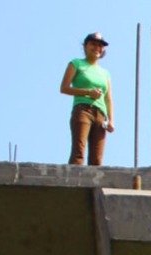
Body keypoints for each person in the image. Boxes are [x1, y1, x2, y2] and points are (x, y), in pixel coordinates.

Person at [60, 33, 114, 166]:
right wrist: (88, 93)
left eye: (100, 46)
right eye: (93, 44)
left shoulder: (105, 73)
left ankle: (93, 184)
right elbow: (64, 88)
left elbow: (108, 99)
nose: (97, 48)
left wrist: (111, 120)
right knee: (79, 152)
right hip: (83, 110)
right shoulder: (76, 64)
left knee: (97, 159)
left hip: (101, 115)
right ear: (85, 46)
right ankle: (73, 184)